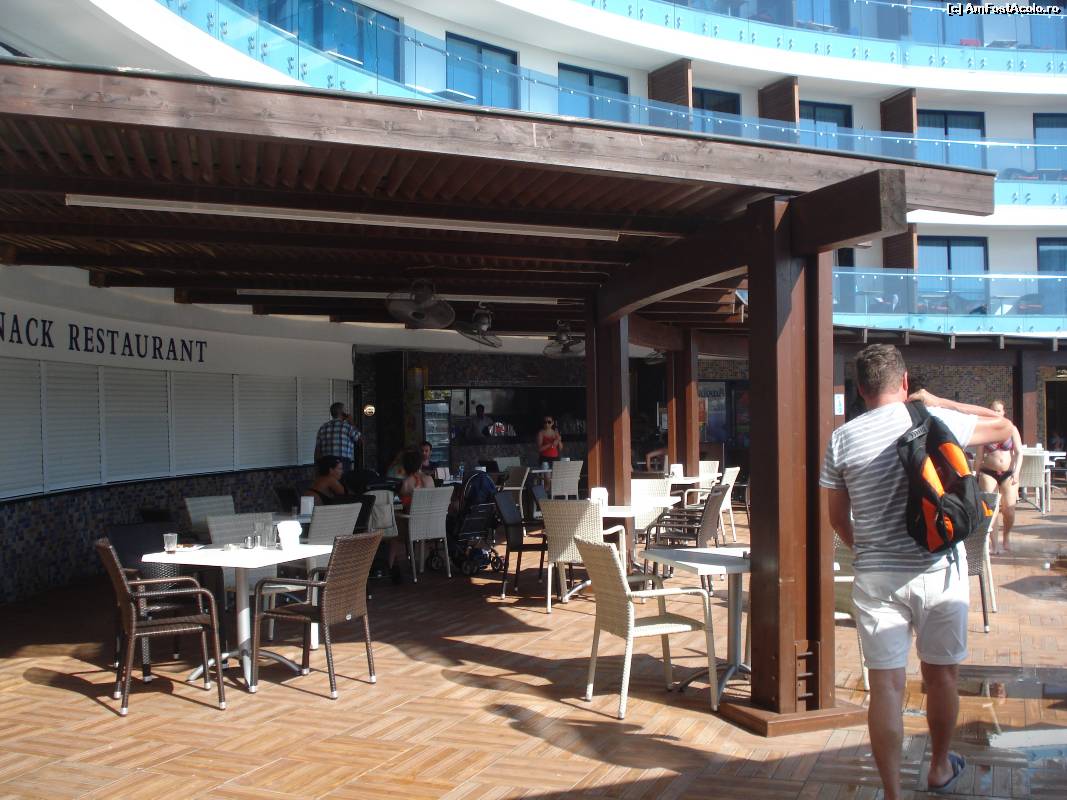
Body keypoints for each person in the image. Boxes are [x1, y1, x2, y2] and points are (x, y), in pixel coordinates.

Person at [821, 344, 1013, 800]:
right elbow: (1004, 426)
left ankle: (892, 792)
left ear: (861, 389)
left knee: (885, 687)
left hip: (877, 579)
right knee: (942, 677)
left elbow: (837, 519)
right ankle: (939, 768)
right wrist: (939, 402)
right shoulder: (934, 419)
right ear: (904, 382)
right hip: (938, 570)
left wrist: (870, 550)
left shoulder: (841, 440)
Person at [973, 399, 1022, 554]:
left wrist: (1017, 472)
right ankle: (994, 545)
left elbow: (1019, 452)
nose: (996, 413)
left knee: (1009, 510)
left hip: (1009, 473)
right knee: (991, 509)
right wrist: (975, 475)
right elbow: (979, 457)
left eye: (999, 410)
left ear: (1004, 412)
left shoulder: (1011, 428)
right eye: (993, 410)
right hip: (989, 472)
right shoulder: (984, 430)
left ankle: (1006, 536)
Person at [314, 402, 360, 473]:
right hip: (343, 465)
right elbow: (360, 440)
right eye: (345, 410)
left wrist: (317, 468)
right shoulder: (348, 427)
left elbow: (317, 451)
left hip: (325, 465)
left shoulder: (323, 427)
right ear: (343, 413)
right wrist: (352, 422)